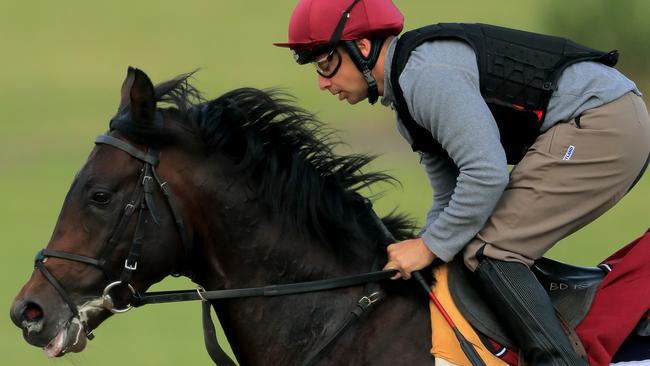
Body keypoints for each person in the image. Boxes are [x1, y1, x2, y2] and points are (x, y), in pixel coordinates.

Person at [275, 0, 650, 364]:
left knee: (490, 249)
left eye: (326, 63)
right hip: (595, 122)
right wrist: (425, 250)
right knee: (469, 245)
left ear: (360, 47)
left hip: (602, 123)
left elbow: (485, 175)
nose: (323, 82)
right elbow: (450, 196)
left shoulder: (424, 77)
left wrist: (428, 246)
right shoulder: (406, 105)